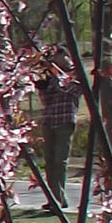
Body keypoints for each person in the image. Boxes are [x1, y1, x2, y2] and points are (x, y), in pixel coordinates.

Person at [35, 63, 79, 205]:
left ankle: (59, 199)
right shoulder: (52, 78)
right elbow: (46, 101)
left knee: (60, 161)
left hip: (64, 122)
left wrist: (58, 77)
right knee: (49, 163)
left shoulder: (75, 78)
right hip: (49, 121)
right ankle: (53, 198)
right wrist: (42, 88)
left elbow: (69, 89)